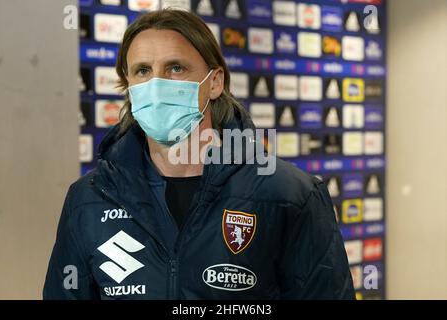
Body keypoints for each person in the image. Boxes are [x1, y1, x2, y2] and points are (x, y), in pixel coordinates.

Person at [43, 9, 354, 300]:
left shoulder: (290, 194)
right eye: (142, 71)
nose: (156, 85)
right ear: (129, 85)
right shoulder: (88, 199)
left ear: (215, 82)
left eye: (175, 68)